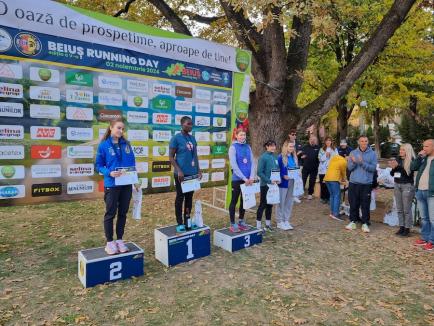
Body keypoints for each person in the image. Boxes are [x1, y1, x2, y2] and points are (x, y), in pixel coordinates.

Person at [95, 119, 139, 255]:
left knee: (123, 213)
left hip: (126, 184)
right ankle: (109, 242)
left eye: (122, 129)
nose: (121, 131)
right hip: (112, 185)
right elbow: (98, 166)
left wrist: (135, 180)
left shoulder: (126, 144)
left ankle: (119, 240)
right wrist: (109, 172)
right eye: (118, 128)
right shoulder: (103, 146)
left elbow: (132, 162)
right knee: (110, 213)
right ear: (111, 127)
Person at [169, 116, 201, 233]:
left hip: (192, 174)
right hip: (181, 175)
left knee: (189, 198)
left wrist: (198, 170)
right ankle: (179, 222)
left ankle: (187, 220)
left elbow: (195, 156)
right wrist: (179, 170)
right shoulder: (176, 138)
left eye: (191, 124)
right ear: (182, 124)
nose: (190, 126)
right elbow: (171, 158)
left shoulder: (192, 138)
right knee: (180, 197)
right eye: (188, 124)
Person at [345, 135, 378, 233]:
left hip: (366, 183)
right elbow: (349, 168)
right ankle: (353, 221)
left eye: (366, 141)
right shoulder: (353, 152)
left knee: (365, 204)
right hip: (353, 182)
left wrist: (361, 162)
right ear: (358, 142)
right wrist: (355, 162)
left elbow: (373, 168)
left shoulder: (372, 154)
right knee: (353, 203)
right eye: (362, 141)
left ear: (368, 142)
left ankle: (365, 223)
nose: (364, 143)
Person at [228, 129, 255, 233]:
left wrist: (251, 177)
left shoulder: (248, 147)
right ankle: (232, 223)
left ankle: (241, 221)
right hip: (237, 179)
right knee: (234, 201)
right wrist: (244, 178)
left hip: (248, 180)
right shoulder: (233, 147)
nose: (243, 137)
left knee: (244, 201)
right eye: (241, 135)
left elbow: (252, 163)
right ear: (236, 135)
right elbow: (234, 166)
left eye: (244, 135)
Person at [388, 144, 416, 237]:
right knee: (399, 208)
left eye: (403, 150)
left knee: (406, 209)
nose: (400, 151)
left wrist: (397, 167)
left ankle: (407, 228)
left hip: (407, 185)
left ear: (407, 150)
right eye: (400, 149)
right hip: (397, 184)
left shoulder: (412, 160)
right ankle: (401, 227)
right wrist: (393, 167)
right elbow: (393, 173)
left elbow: (408, 174)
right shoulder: (398, 159)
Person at [411, 139, 434, 251]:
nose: (424, 148)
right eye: (423, 146)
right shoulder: (423, 158)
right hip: (420, 191)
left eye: (427, 146)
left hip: (431, 193)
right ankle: (425, 238)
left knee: (433, 219)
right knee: (424, 218)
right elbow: (413, 167)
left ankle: (432, 241)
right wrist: (419, 157)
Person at [257, 140, 279, 232]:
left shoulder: (275, 157)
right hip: (265, 185)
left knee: (270, 204)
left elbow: (276, 170)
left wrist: (277, 179)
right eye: (271, 146)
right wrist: (269, 181)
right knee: (263, 204)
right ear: (266, 146)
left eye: (274, 145)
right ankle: (258, 226)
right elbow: (259, 172)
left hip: (274, 185)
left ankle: (268, 225)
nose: (273, 147)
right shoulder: (263, 157)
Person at [276, 140, 299, 230]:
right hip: (283, 182)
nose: (292, 148)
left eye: (293, 147)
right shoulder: (280, 157)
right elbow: (276, 169)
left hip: (292, 181)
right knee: (281, 202)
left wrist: (298, 173)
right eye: (290, 146)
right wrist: (282, 175)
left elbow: (295, 168)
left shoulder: (294, 157)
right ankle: (279, 221)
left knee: (289, 202)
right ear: (286, 147)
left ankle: (286, 220)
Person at [324, 154, 347, 221]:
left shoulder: (334, 158)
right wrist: (344, 180)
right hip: (334, 179)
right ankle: (336, 214)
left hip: (327, 178)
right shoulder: (344, 161)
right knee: (337, 195)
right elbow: (343, 172)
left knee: (332, 196)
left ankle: (332, 212)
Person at [318, 137, 338, 204]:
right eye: (327, 141)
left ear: (331, 141)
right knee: (323, 184)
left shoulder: (335, 149)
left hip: (331, 170)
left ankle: (330, 198)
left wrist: (331, 156)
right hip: (322, 170)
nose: (328, 142)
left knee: (330, 184)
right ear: (325, 142)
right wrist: (325, 155)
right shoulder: (321, 149)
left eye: (329, 140)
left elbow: (337, 158)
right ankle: (323, 198)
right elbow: (319, 158)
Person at [301, 136, 320, 200]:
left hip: (314, 168)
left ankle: (310, 194)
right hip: (305, 167)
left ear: (316, 141)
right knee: (303, 180)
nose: (312, 141)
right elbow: (301, 155)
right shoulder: (305, 147)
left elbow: (320, 157)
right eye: (311, 139)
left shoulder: (318, 148)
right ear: (309, 140)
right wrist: (302, 157)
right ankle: (301, 193)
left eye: (314, 140)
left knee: (312, 181)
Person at [288, 129, 303, 203]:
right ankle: (290, 196)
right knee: (290, 181)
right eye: (292, 134)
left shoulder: (298, 143)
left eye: (295, 134)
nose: (294, 136)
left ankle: (296, 195)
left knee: (297, 180)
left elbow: (300, 151)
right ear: (289, 135)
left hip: (296, 164)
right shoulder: (286, 143)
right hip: (289, 164)